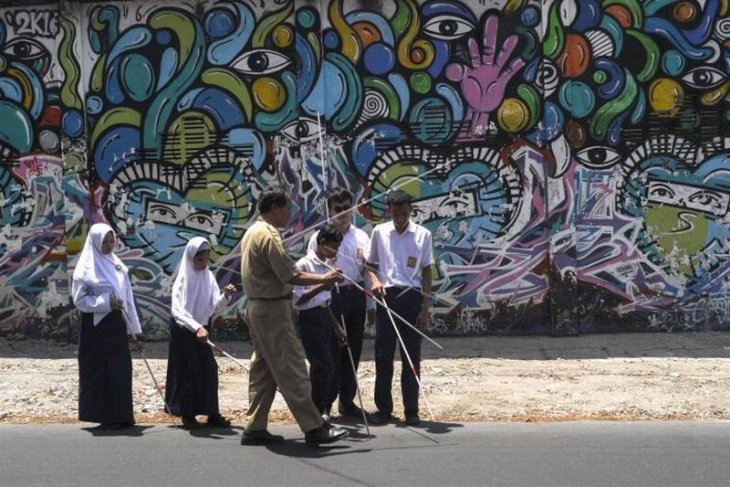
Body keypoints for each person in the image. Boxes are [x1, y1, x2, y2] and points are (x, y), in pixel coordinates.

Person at [239, 187, 349, 445]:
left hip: (258, 308)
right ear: (275, 208)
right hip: (272, 309)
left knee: (264, 370)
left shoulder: (252, 231)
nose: (289, 214)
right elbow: (290, 274)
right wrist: (324, 278)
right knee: (293, 368)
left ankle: (254, 427)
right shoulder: (268, 235)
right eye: (287, 208)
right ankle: (314, 427)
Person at [365, 190, 434, 426]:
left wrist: (425, 307)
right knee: (383, 356)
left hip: (412, 297)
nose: (400, 219)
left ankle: (411, 410)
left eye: (404, 214)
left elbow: (426, 270)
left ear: (411, 210)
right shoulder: (379, 232)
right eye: (395, 215)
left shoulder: (423, 235)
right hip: (386, 296)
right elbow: (370, 264)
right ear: (389, 211)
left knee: (411, 356)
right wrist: (374, 281)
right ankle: (383, 408)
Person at [307, 189, 375, 419]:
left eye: (347, 207)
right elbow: (311, 270)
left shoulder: (362, 237)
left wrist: (371, 306)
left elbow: (366, 271)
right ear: (329, 210)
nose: (343, 213)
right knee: (331, 351)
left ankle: (347, 400)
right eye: (338, 208)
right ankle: (324, 403)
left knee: (352, 350)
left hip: (354, 294)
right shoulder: (320, 237)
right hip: (331, 295)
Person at [72, 223, 142, 430]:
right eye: (105, 242)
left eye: (112, 241)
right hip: (96, 328)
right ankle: (105, 415)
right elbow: (79, 300)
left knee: (120, 370)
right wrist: (105, 302)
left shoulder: (118, 265)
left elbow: (127, 298)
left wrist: (135, 331)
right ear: (95, 242)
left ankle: (122, 415)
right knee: (100, 371)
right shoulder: (85, 270)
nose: (109, 246)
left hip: (117, 325)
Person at [165, 237, 237, 429]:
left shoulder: (208, 277)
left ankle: (212, 413)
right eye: (200, 259)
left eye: (206, 258)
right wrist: (195, 327)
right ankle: (187, 414)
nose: (203, 263)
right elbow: (178, 311)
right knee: (189, 371)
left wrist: (226, 296)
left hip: (203, 329)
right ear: (191, 258)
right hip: (184, 330)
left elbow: (214, 307)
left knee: (209, 369)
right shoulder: (183, 279)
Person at [296, 223, 345, 421]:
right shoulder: (304, 266)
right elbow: (299, 300)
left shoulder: (328, 266)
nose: (335, 252)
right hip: (309, 319)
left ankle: (322, 409)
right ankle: (315, 413)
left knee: (329, 365)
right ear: (322, 243)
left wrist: (337, 327)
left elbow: (326, 301)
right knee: (322, 366)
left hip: (325, 317)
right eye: (333, 247)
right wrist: (324, 281)